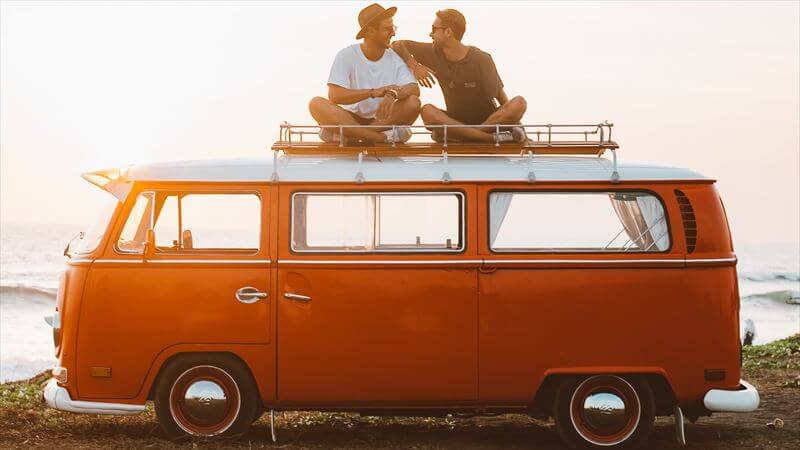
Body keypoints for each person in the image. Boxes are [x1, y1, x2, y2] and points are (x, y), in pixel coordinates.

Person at [392, 9, 528, 143]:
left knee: (519, 102)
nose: (430, 34)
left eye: (434, 29)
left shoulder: (481, 59)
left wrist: (515, 121)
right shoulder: (433, 53)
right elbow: (398, 44)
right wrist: (414, 66)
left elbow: (500, 96)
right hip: (455, 121)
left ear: (448, 32)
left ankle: (465, 135)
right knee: (427, 111)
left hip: (488, 121)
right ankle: (488, 138)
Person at [309, 3, 421, 145]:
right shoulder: (346, 55)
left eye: (393, 28)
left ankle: (355, 136)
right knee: (316, 103)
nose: (393, 33)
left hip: (382, 120)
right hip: (350, 119)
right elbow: (334, 96)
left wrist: (392, 93)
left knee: (413, 103)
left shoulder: (395, 58)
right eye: (388, 29)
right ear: (370, 31)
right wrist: (372, 92)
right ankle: (377, 137)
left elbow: (413, 89)